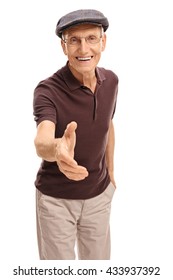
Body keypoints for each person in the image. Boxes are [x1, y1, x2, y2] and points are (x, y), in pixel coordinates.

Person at [33, 9, 118, 260]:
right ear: (63, 46)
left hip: (99, 197)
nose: (84, 49)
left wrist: (111, 173)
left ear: (103, 42)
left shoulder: (111, 81)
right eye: (74, 40)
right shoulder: (47, 90)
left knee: (99, 271)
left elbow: (108, 123)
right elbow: (42, 140)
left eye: (91, 38)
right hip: (56, 202)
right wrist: (57, 149)